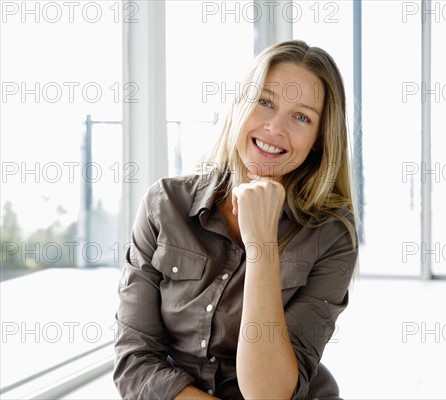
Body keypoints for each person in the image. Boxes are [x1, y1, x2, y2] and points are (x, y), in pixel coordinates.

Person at [113, 39, 359, 400]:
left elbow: (270, 394)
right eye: (265, 102)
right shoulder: (164, 205)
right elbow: (134, 361)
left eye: (302, 116)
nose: (275, 128)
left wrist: (262, 245)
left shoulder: (332, 236)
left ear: (319, 140)